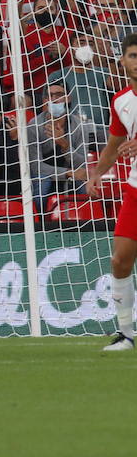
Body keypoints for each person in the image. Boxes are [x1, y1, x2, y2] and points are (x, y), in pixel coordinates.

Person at [82, 32, 137, 352]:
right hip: (134, 189)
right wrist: (97, 173)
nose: (136, 62)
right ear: (122, 60)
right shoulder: (120, 100)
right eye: (132, 56)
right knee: (119, 261)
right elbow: (115, 144)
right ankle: (126, 334)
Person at [28, 81, 91, 209]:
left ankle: (86, 224)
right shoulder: (34, 125)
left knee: (84, 187)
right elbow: (35, 166)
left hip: (72, 171)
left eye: (59, 95)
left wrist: (64, 145)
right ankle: (40, 224)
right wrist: (66, 173)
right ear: (45, 100)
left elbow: (82, 163)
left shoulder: (78, 125)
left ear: (68, 98)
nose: (54, 99)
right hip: (45, 173)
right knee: (42, 187)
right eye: (50, 96)